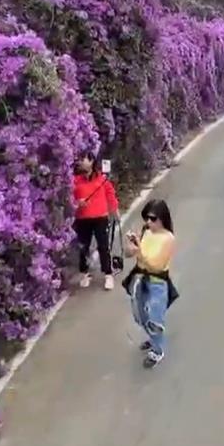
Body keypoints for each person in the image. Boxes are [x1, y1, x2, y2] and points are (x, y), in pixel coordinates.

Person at [124, 200, 179, 368]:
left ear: (162, 218)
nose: (148, 222)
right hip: (140, 279)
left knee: (155, 318)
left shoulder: (168, 238)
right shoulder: (146, 232)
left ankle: (157, 350)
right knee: (140, 315)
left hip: (157, 282)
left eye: (153, 219)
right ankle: (152, 337)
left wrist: (139, 250)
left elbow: (156, 265)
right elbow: (129, 255)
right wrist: (131, 247)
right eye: (146, 218)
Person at [72, 154, 119, 290]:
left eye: (83, 159)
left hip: (100, 217)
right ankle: (85, 273)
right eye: (79, 160)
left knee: (103, 246)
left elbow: (110, 193)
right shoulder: (75, 181)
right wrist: (77, 203)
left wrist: (114, 209)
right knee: (83, 247)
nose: (80, 162)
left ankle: (108, 274)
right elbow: (70, 198)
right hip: (82, 218)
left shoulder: (102, 179)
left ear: (91, 161)